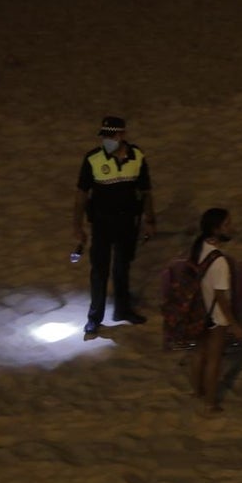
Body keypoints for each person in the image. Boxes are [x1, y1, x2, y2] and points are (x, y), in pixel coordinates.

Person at [73, 116, 155, 335]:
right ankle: (94, 318)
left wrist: (150, 220)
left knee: (122, 268)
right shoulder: (93, 159)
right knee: (99, 271)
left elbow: (146, 192)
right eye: (105, 136)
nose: (107, 140)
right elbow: (82, 194)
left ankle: (123, 310)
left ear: (121, 135)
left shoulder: (137, 156)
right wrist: (77, 225)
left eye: (111, 135)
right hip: (101, 223)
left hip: (127, 222)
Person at [189, 208, 242, 414]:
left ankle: (197, 392)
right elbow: (222, 298)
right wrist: (235, 325)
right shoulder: (220, 262)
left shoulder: (200, 247)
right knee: (214, 359)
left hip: (199, 310)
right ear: (216, 230)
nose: (231, 228)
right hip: (215, 316)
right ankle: (210, 403)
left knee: (199, 353)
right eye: (226, 225)